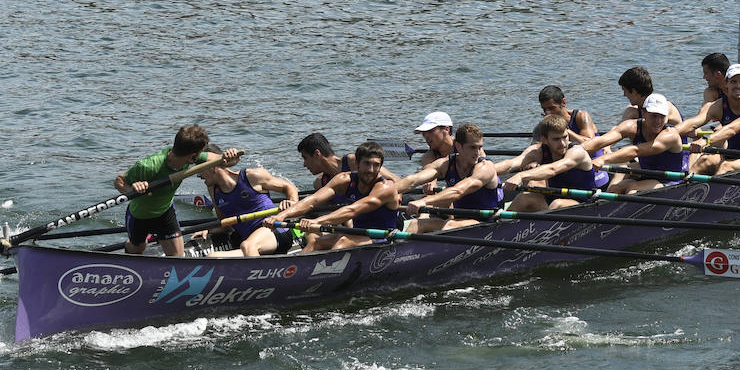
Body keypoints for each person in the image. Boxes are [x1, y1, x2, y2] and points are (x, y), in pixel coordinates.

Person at [113, 125, 232, 257]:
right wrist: (133, 189)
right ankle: (130, 244)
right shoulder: (149, 166)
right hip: (140, 216)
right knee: (137, 249)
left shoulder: (193, 157)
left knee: (177, 257)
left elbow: (225, 162)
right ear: (193, 157)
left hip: (165, 213)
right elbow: (119, 181)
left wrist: (231, 156)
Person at [267, 141, 401, 251]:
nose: (371, 170)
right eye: (367, 163)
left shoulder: (385, 187)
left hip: (383, 237)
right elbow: (312, 201)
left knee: (343, 242)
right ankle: (296, 272)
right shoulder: (344, 179)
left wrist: (317, 222)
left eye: (376, 165)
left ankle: (327, 276)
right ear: (357, 164)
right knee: (316, 243)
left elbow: (352, 210)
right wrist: (281, 216)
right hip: (358, 233)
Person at [187, 144, 299, 257]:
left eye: (199, 169)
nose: (198, 175)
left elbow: (288, 187)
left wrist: (292, 203)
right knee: (213, 257)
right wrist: (209, 229)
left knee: (247, 246)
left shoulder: (251, 176)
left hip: (275, 231)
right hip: (250, 241)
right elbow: (227, 224)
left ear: (212, 167)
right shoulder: (214, 190)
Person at [404, 124, 504, 231]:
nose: (478, 152)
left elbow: (458, 191)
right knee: (416, 223)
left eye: (479, 147)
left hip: (485, 222)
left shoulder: (485, 167)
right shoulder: (446, 163)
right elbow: (413, 180)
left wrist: (425, 202)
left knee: (449, 225)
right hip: (459, 219)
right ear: (458, 146)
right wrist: (394, 190)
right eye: (473, 147)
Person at [502, 115, 609, 211]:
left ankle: (543, 231)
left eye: (565, 137)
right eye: (556, 139)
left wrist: (520, 175)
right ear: (544, 139)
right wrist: (488, 167)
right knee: (524, 198)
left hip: (584, 205)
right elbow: (510, 164)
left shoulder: (577, 152)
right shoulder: (538, 151)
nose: (562, 143)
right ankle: (499, 230)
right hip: (553, 202)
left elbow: (553, 170)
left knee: (558, 204)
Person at [589, 92, 689, 192]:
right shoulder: (632, 126)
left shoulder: (670, 135)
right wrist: (580, 150)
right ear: (643, 113)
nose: (658, 121)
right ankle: (605, 203)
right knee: (616, 186)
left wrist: (602, 159)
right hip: (648, 175)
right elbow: (601, 140)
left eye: (662, 116)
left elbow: (635, 151)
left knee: (632, 189)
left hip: (670, 181)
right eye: (654, 116)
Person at [680, 64, 740, 175]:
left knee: (726, 166)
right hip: (730, 154)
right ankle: (684, 187)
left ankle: (713, 191)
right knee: (705, 160)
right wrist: (673, 132)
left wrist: (706, 140)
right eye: (733, 81)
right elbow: (693, 122)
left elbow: (732, 129)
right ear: (726, 83)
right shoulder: (719, 105)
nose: (738, 85)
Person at [616, 65, 682, 126]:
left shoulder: (664, 106)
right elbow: (616, 129)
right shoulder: (633, 111)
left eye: (625, 90)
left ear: (634, 92)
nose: (624, 95)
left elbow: (658, 127)